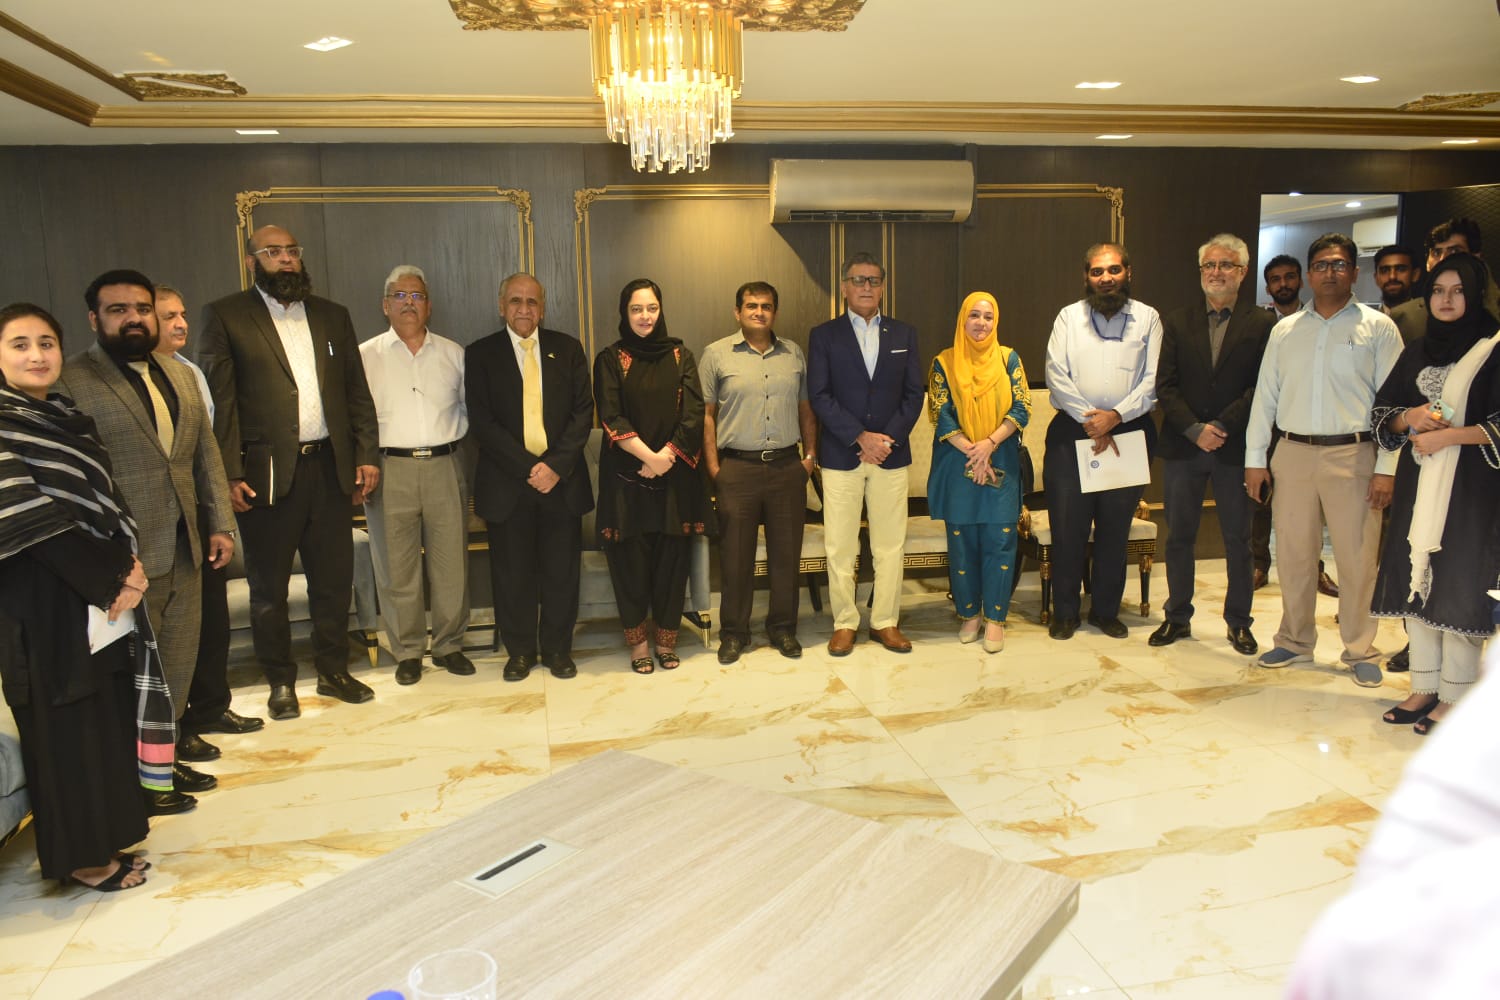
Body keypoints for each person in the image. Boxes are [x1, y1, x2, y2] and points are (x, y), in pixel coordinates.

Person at [0, 302, 164, 892]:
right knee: (65, 725)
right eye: (20, 344)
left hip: (93, 594)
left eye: (46, 343)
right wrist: (115, 576)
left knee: (103, 715)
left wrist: (123, 567)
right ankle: (82, 859)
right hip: (40, 600)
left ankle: (109, 837)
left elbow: (104, 501)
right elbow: (26, 517)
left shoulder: (68, 418)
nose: (36, 355)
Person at [61, 270, 237, 810]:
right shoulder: (72, 380)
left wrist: (220, 522)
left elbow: (204, 453)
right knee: (133, 675)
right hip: (124, 557)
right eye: (118, 310)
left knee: (177, 663)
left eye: (141, 308)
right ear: (95, 319)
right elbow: (75, 479)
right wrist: (106, 552)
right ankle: (134, 780)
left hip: (187, 544)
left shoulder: (180, 374)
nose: (133, 318)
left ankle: (164, 763)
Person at [198, 224, 381, 721]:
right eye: (273, 252)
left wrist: (366, 453)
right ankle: (280, 681)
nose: (285, 259)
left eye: (291, 251)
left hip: (330, 469)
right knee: (269, 590)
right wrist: (228, 474)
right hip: (266, 475)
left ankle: (333, 671)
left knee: (333, 582)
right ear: (252, 261)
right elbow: (221, 404)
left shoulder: (332, 316)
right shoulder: (226, 316)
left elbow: (356, 392)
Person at [1245, 233, 1403, 688]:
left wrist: (1386, 468)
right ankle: (1295, 640)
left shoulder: (1378, 328)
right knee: (1294, 554)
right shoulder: (1285, 330)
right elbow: (1265, 398)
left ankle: (1360, 649)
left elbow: (1394, 406)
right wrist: (1256, 458)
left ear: (1354, 272)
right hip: (1292, 452)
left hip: (1354, 453)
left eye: (1338, 264)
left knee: (1357, 559)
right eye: (1321, 265)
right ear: (1309, 275)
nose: (1329, 272)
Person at [1368, 253, 1500, 734]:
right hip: (1419, 484)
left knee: (1460, 582)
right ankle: (1424, 687)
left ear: (1476, 294)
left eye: (1458, 290)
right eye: (1438, 291)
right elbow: (1382, 414)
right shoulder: (1418, 349)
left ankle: (1456, 696)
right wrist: (1412, 417)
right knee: (1417, 577)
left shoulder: (1494, 349)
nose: (1446, 300)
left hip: (1472, 491)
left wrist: (1448, 436)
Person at [152, 285, 264, 761]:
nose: (181, 324)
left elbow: (209, 451)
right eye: (168, 316)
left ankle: (212, 707)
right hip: (161, 520)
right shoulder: (134, 379)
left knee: (212, 620)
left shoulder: (191, 373)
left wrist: (219, 518)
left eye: (182, 314)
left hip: (201, 512)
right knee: (173, 631)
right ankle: (175, 728)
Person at [1151, 234, 1273, 655]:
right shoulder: (1177, 321)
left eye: (1225, 265)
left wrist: (1220, 425)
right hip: (1184, 447)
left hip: (1235, 448)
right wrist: (1193, 428)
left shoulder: (1262, 324)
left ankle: (1239, 622)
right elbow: (1165, 385)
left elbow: (1262, 387)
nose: (1216, 273)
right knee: (1179, 537)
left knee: (1238, 540)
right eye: (1209, 266)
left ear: (1242, 272)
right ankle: (1176, 617)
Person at [467, 273, 593, 682]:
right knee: (512, 574)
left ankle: (558, 650)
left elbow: (583, 413)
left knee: (561, 574)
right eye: (516, 301)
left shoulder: (568, 349)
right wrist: (529, 468)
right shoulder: (480, 354)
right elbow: (482, 423)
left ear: (543, 307)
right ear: (501, 305)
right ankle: (520, 652)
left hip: (562, 482)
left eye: (532, 302)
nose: (524, 309)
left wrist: (554, 466)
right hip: (508, 484)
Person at [359, 266, 473, 685]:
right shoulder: (365, 356)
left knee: (451, 564)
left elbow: (470, 410)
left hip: (445, 464)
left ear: (429, 305)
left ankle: (448, 646)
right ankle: (407, 651)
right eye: (400, 295)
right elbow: (355, 419)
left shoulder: (453, 354)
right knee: (396, 566)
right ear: (385, 304)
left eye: (417, 296)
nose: (409, 303)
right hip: (389, 470)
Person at [1042, 242, 1162, 640]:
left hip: (1129, 432)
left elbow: (1153, 380)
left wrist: (1116, 416)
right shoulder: (1068, 317)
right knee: (1068, 527)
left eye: (1113, 270)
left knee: (1115, 528)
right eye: (1097, 271)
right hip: (1071, 432)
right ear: (1086, 277)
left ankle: (1105, 612)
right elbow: (1055, 373)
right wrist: (1093, 420)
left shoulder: (1148, 319)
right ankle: (1065, 613)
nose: (1106, 278)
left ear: (1128, 272)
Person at [807, 252, 924, 657]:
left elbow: (914, 395)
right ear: (844, 287)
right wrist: (859, 437)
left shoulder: (904, 334)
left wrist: (885, 439)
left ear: (883, 287)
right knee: (840, 545)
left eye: (874, 280)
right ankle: (844, 622)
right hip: (841, 455)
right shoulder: (824, 335)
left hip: (891, 455)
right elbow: (819, 395)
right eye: (858, 280)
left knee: (890, 545)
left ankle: (885, 621)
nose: (866, 287)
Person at [594, 278, 709, 674]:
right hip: (627, 478)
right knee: (630, 564)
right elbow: (611, 414)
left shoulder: (681, 356)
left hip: (675, 478)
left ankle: (666, 641)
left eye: (652, 308)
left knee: (672, 563)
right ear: (624, 313)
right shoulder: (610, 359)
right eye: (636, 309)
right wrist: (648, 457)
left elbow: (694, 414)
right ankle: (638, 644)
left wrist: (665, 457)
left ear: (661, 310)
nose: (645, 316)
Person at [701, 281, 816, 665]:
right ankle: (734, 633)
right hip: (737, 469)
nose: (759, 312)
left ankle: (783, 628)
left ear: (774, 313)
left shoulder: (793, 353)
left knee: (787, 556)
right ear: (738, 312)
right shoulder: (716, 354)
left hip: (786, 467)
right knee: (735, 558)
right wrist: (715, 468)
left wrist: (809, 458)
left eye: (766, 306)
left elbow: (805, 408)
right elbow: (706, 416)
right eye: (751, 306)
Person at [926, 291, 1030, 653]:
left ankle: (996, 619)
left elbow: (1022, 406)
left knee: (1001, 541)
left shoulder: (1008, 359)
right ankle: (969, 614)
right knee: (962, 542)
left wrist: (988, 444)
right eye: (974, 315)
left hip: (1000, 457)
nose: (981, 323)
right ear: (962, 320)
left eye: (988, 317)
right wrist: (973, 449)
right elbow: (940, 411)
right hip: (958, 462)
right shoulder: (944, 362)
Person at [1389, 218, 1498, 345]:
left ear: (1476, 257)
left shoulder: (1494, 309)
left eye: (1454, 251)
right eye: (1436, 253)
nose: (1443, 260)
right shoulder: (1404, 317)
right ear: (1427, 263)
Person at [1372, 244, 1419, 316]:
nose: (1392, 276)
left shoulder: (1428, 318)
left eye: (1401, 269)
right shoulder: (1368, 321)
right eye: (1384, 271)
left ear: (1415, 275)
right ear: (1376, 278)